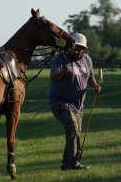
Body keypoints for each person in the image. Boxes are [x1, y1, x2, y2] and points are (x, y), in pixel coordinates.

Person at [49, 33, 101, 170]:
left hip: (78, 105)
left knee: (74, 132)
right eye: (74, 47)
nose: (76, 50)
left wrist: (95, 85)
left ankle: (66, 164)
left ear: (84, 49)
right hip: (60, 102)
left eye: (79, 48)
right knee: (72, 127)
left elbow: (90, 77)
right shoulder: (61, 57)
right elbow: (52, 76)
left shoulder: (87, 60)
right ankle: (75, 162)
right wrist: (62, 71)